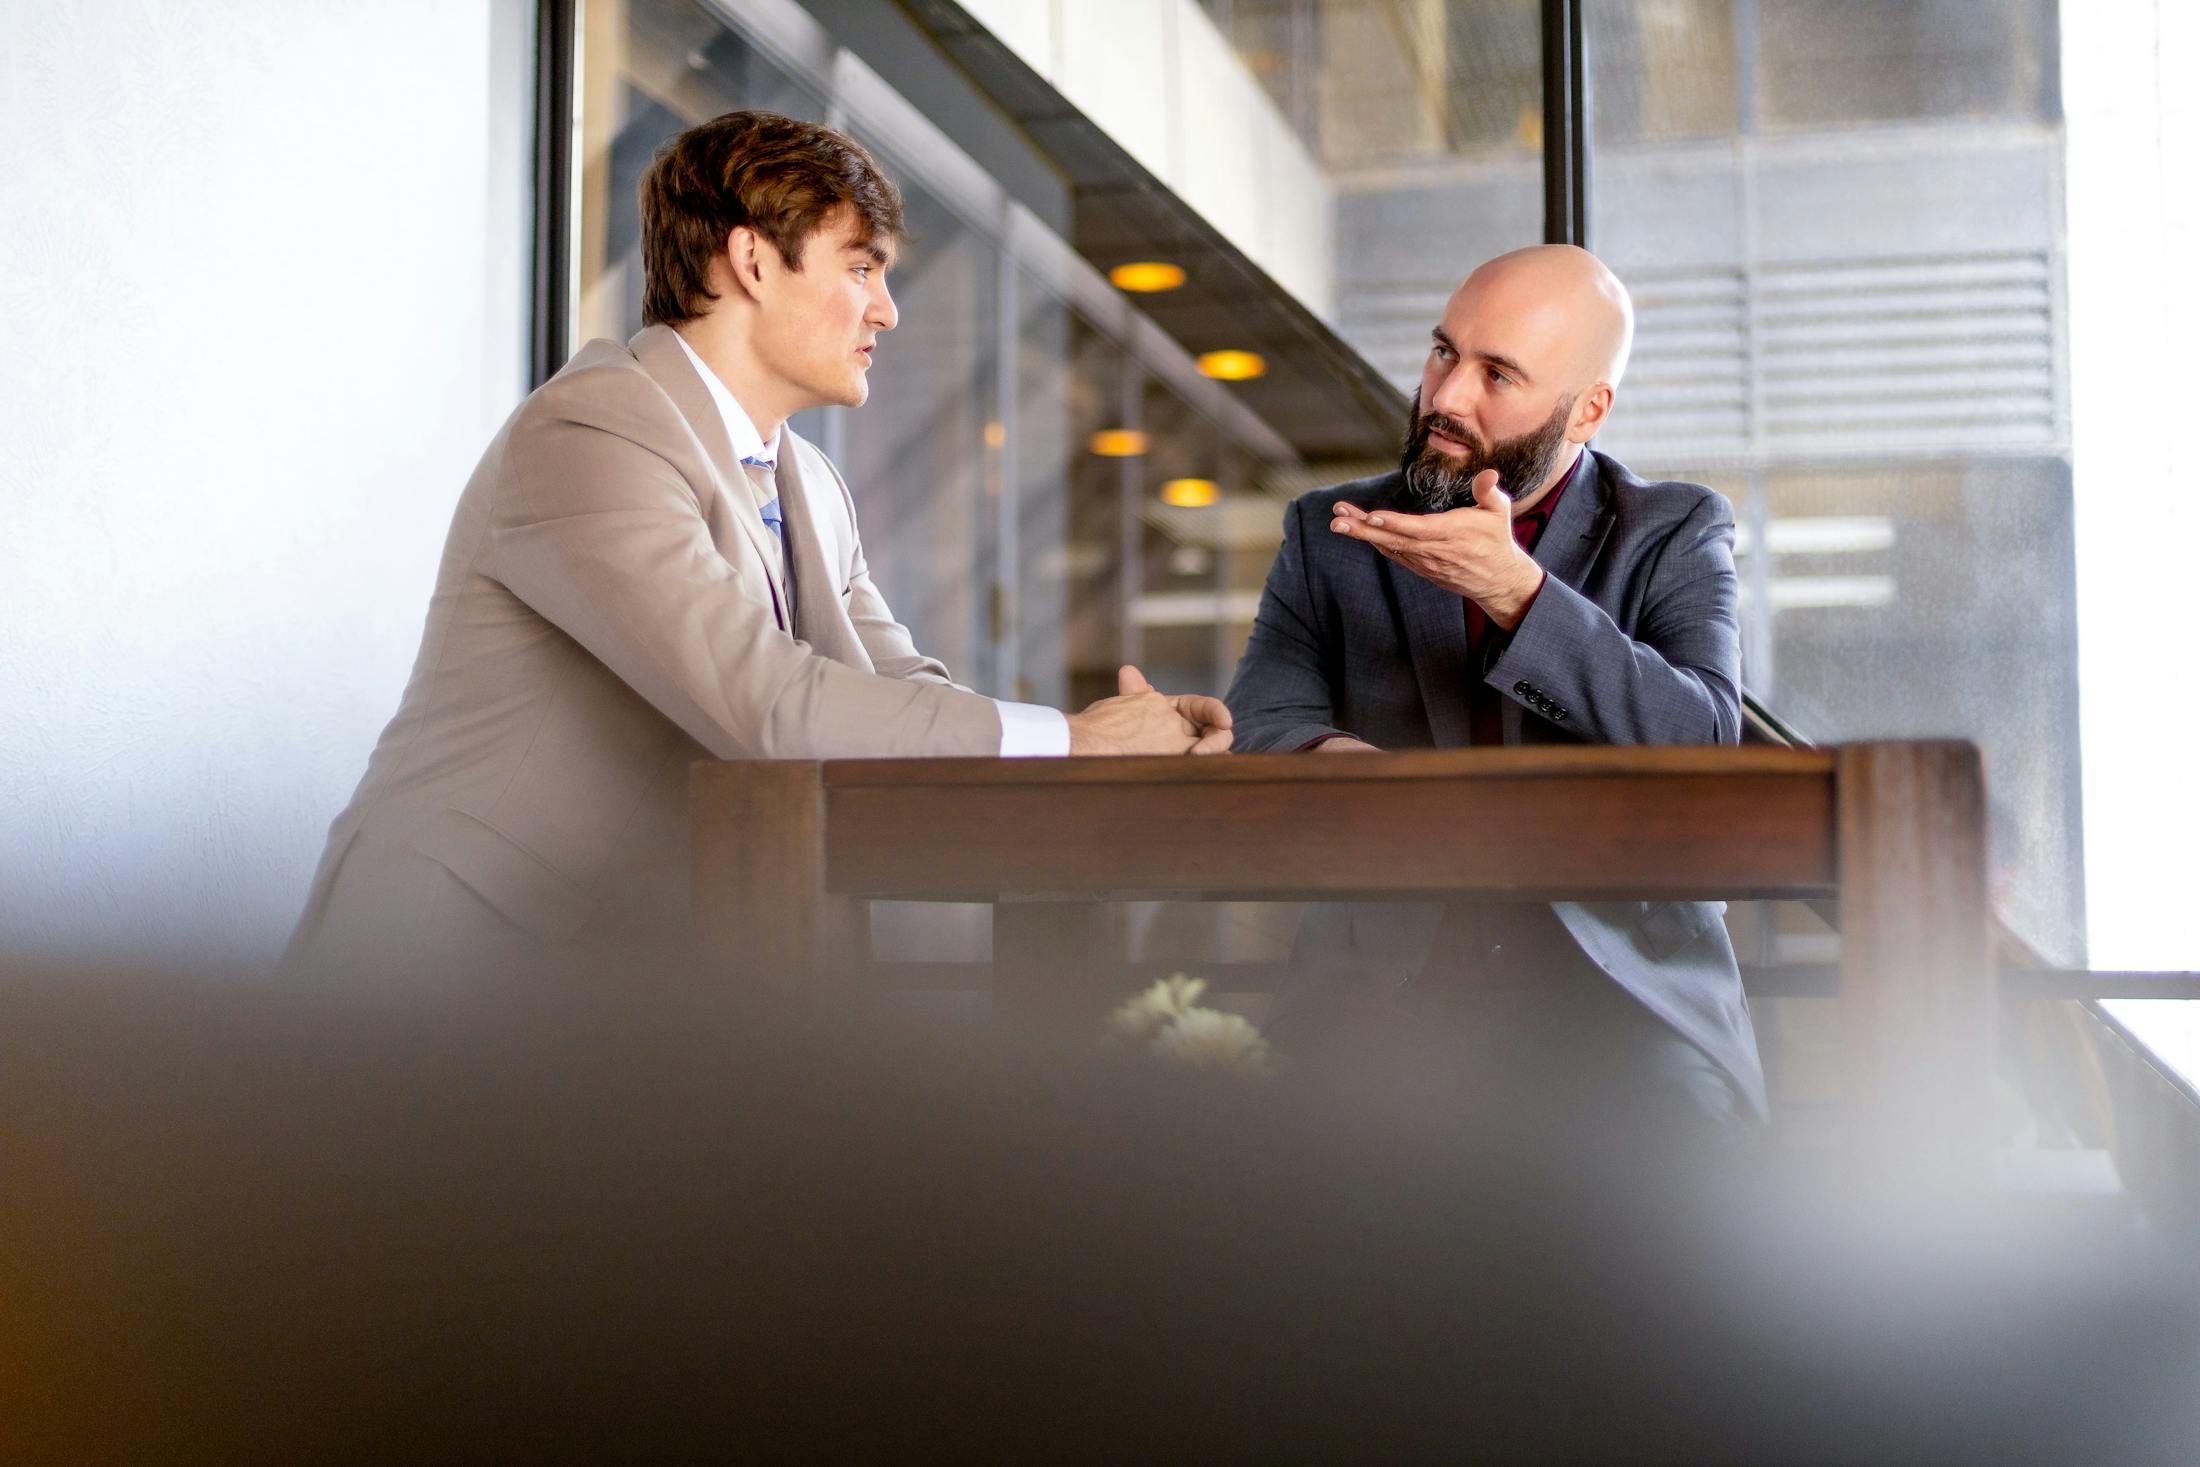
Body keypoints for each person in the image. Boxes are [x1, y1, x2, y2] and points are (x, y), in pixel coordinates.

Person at [288, 111, 1229, 975]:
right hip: (451, 970)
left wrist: (1131, 743)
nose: (887, 310)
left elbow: (898, 693)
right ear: (751, 261)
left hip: (621, 994)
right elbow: (771, 706)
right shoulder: (592, 428)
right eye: (860, 267)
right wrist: (1073, 740)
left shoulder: (811, 483)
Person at [1225, 244, 1764, 1126]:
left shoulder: (1674, 529)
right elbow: (1263, 719)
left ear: (1586, 409)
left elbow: (1705, 742)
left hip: (1622, 1005)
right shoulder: (1331, 530)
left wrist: (1521, 596)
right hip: (1385, 992)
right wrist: (1355, 769)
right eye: (1443, 352)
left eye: (1496, 374)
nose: (1444, 396)